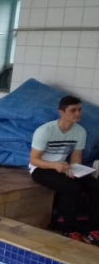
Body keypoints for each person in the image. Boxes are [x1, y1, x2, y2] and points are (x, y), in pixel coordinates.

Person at [29, 96, 99, 245]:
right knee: (71, 187)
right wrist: (55, 166)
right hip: (41, 169)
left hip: (64, 167)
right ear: (61, 112)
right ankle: (68, 229)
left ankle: (93, 230)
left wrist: (75, 170)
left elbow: (76, 158)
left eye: (79, 110)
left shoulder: (80, 131)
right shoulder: (45, 131)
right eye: (73, 110)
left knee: (95, 186)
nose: (78, 113)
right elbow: (34, 160)